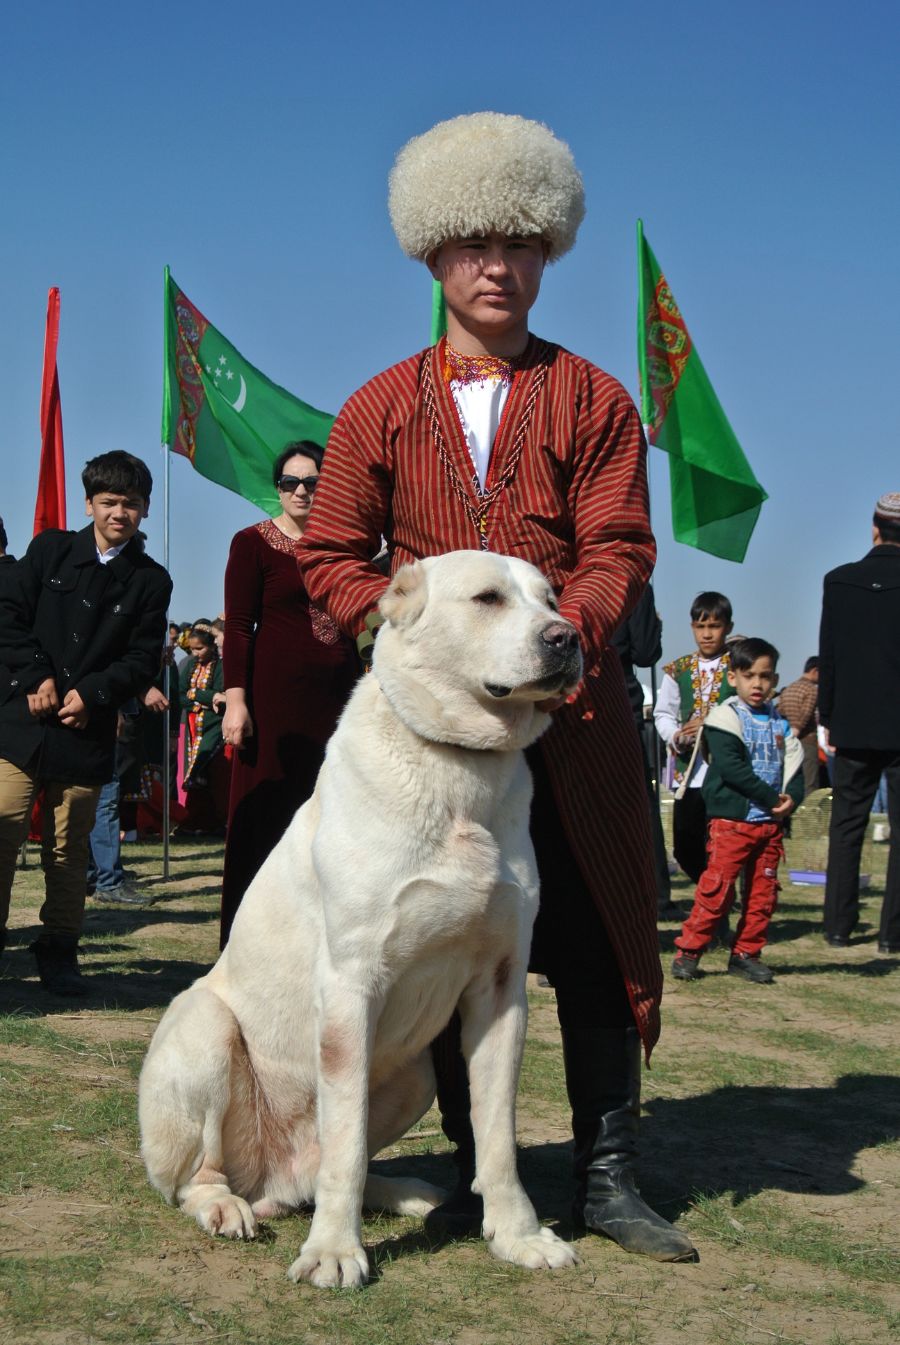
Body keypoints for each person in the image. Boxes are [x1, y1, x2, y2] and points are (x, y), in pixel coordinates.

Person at [298, 112, 694, 1261]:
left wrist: (568, 634)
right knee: (452, 952)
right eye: (472, 243)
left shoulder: (596, 397)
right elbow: (330, 550)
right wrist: (407, 617)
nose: (497, 265)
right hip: (434, 753)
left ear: (548, 254)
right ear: (432, 258)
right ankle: (481, 1178)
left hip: (576, 720)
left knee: (598, 929)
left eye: (521, 243)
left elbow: (620, 542)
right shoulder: (378, 405)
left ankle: (610, 1175)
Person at [0, 451, 171, 992]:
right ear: (89, 503)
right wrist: (36, 678)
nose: (119, 513)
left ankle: (58, 951)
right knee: (1, 832)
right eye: (109, 502)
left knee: (66, 849)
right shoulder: (49, 550)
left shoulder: (151, 581)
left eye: (131, 504)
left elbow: (142, 659)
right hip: (21, 727)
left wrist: (92, 694)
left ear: (145, 509)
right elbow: (8, 616)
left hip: (86, 732)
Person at [219, 443, 358, 946]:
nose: (301, 491)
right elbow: (237, 626)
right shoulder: (252, 542)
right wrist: (236, 700)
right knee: (267, 816)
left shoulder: (347, 547)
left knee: (334, 819)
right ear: (277, 487)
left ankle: (320, 941)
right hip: (272, 703)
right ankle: (247, 942)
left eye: (313, 483)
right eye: (290, 483)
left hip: (342, 701)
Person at [671, 638, 804, 984]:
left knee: (763, 895)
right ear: (733, 678)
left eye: (765, 676)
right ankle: (689, 951)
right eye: (749, 676)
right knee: (716, 890)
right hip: (732, 824)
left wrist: (791, 797)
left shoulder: (780, 723)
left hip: (769, 826)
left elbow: (795, 765)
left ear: (775, 680)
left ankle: (746, 953)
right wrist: (771, 797)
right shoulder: (725, 718)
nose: (757, 684)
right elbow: (732, 769)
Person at [820, 493, 900, 953]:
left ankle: (838, 926)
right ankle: (892, 934)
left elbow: (827, 654)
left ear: (875, 528)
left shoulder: (839, 582)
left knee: (846, 827)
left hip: (851, 721)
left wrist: (827, 716)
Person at [654, 593, 734, 884]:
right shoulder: (679, 669)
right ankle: (712, 893)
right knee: (686, 847)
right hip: (688, 773)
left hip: (726, 774)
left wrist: (711, 721)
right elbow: (663, 713)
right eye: (701, 627)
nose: (708, 634)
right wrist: (676, 735)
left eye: (715, 626)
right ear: (692, 627)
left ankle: (718, 909)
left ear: (728, 626)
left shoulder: (738, 666)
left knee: (722, 844)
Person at [610, 586, 680, 919]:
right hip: (620, 702)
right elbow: (646, 652)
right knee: (641, 806)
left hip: (567, 702)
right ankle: (656, 896)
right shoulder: (630, 581)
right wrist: (651, 622)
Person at [177, 622, 228, 834]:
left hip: (214, 727)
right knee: (197, 779)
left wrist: (195, 693)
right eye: (192, 649)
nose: (195, 653)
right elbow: (180, 695)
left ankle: (216, 822)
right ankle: (197, 821)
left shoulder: (220, 667)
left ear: (211, 646)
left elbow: (222, 695)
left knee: (207, 773)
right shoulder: (189, 666)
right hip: (192, 729)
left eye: (200, 648)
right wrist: (207, 697)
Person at [777, 657, 820, 796]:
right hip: (807, 740)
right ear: (815, 671)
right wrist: (797, 729)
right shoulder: (812, 689)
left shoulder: (789, 688)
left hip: (788, 740)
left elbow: (780, 711)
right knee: (810, 783)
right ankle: (808, 816)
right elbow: (806, 713)